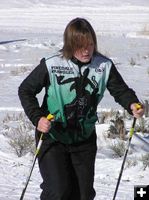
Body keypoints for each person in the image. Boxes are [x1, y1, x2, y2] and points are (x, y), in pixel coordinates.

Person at [18, 18, 144, 200]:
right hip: (53, 137)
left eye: (90, 45)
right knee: (58, 191)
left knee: (83, 195)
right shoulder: (52, 64)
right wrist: (38, 118)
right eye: (80, 46)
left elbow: (120, 90)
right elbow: (25, 90)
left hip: (83, 139)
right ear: (70, 45)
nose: (86, 50)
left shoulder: (103, 66)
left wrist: (132, 104)